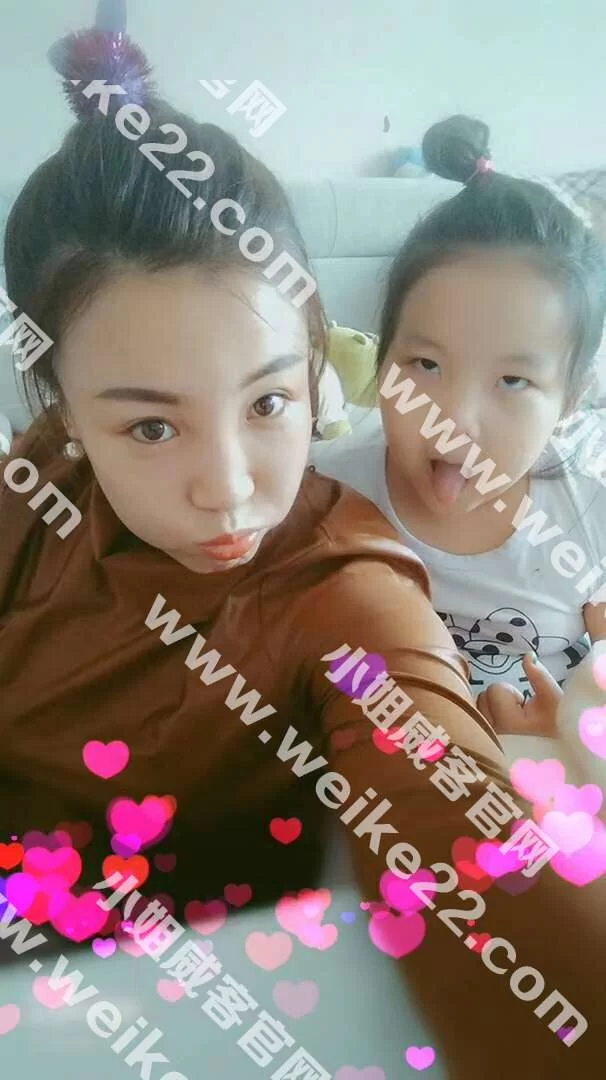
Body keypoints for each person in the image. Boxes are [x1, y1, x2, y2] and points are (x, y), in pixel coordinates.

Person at [0, 36, 604, 1077]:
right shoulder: (38, 485)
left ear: (318, 361)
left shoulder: (345, 591)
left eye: (270, 401)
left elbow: (470, 853)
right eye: (152, 426)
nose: (231, 488)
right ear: (64, 409)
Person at [312, 114, 606, 735]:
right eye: (425, 365)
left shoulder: (589, 521)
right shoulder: (322, 495)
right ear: (381, 360)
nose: (455, 421)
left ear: (570, 400)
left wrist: (568, 732)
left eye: (513, 381)